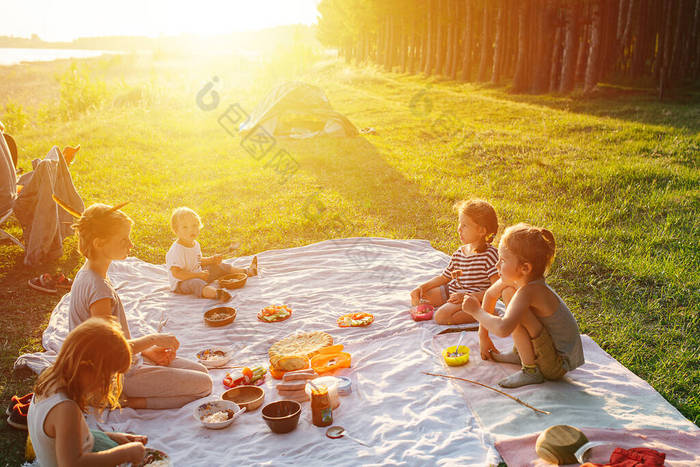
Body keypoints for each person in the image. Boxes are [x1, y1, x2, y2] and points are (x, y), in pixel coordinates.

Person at [69, 203, 212, 409]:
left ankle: (132, 390)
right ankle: (128, 401)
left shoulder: (88, 273)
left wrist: (147, 351)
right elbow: (107, 353)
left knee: (202, 371)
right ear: (99, 243)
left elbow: (115, 339)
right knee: (205, 385)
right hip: (117, 376)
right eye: (124, 240)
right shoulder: (98, 289)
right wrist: (152, 339)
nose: (131, 245)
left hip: (129, 360)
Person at [461, 223, 584, 388]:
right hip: (548, 349)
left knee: (515, 309)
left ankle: (531, 370)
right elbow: (490, 295)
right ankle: (521, 354)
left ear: (525, 268)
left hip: (557, 364)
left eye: (503, 260)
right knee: (508, 292)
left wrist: (476, 311)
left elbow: (503, 329)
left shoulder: (530, 291)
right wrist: (483, 337)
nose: (496, 266)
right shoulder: (520, 281)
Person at [28, 318, 147, 467]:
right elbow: (72, 463)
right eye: (108, 378)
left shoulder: (49, 380)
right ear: (87, 367)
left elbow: (68, 436)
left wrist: (112, 437)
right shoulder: (66, 409)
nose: (106, 385)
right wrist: (126, 454)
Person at [410, 199, 500, 324]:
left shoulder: (489, 256)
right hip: (454, 292)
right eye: (460, 223)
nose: (459, 229)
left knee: (441, 317)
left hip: (473, 298)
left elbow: (497, 289)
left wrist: (469, 296)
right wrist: (421, 288)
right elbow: (444, 278)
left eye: (465, 225)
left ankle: (486, 313)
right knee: (421, 298)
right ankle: (465, 308)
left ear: (481, 231)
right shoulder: (460, 252)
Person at [166, 207, 257, 300]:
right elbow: (177, 274)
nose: (191, 230)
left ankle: (247, 271)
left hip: (198, 273)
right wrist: (197, 275)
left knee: (218, 266)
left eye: (194, 225)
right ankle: (217, 294)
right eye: (185, 227)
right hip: (182, 282)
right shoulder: (177, 250)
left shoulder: (195, 244)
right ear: (176, 231)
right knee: (196, 283)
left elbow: (198, 260)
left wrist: (211, 260)